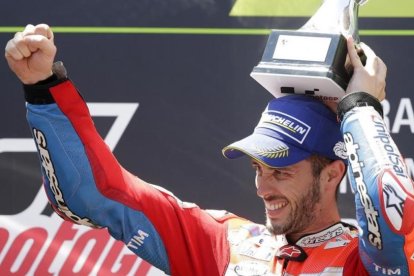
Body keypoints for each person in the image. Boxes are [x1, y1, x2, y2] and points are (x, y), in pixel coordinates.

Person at [5, 23, 414, 275]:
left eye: (282, 171)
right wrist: (43, 87)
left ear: (332, 173)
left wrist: (361, 109)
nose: (262, 187)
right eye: (258, 168)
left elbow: (395, 215)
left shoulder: (363, 263)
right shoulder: (223, 243)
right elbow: (93, 193)